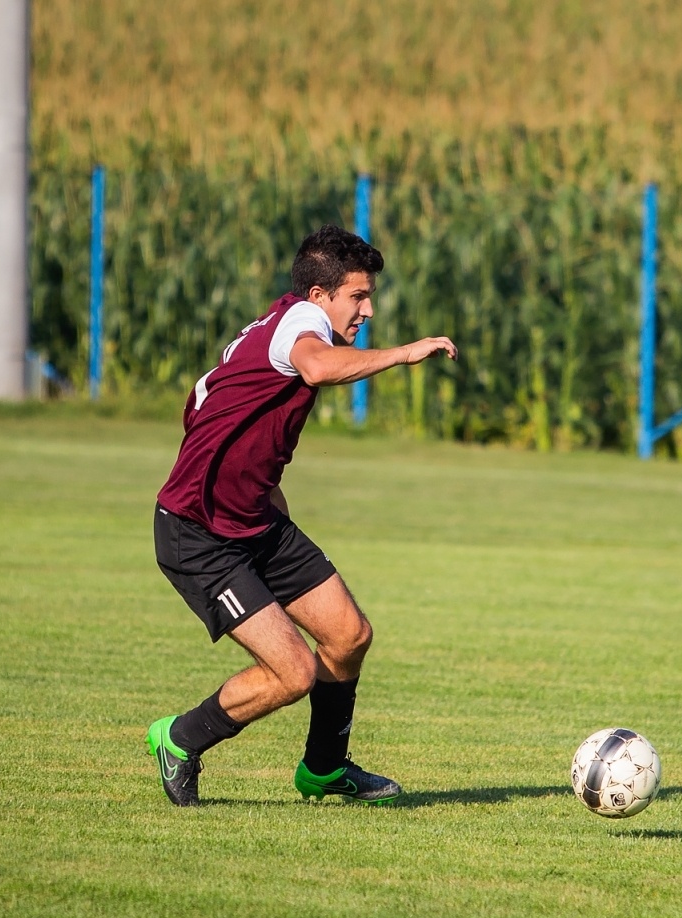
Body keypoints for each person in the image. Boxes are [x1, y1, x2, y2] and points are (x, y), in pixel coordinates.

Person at [146, 226, 457, 807]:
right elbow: (315, 367)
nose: (368, 310)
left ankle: (324, 768)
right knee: (292, 672)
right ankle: (180, 739)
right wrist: (404, 353)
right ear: (320, 295)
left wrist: (257, 484)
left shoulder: (277, 324)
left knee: (348, 636)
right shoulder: (301, 323)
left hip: (257, 519)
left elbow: (206, 401)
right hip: (198, 533)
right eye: (358, 297)